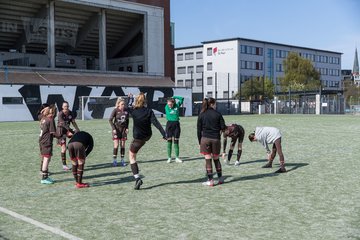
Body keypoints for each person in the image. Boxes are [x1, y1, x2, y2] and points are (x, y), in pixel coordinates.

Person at [128, 92, 167, 190]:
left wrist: (130, 99)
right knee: (136, 148)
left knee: (132, 157)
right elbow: (156, 123)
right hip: (147, 136)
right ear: (145, 101)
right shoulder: (149, 111)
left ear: (137, 101)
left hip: (138, 138)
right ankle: (137, 178)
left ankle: (137, 179)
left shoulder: (133, 110)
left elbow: (126, 108)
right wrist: (164, 134)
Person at [197, 98, 226, 186]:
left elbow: (199, 130)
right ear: (212, 104)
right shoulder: (218, 114)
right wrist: (218, 134)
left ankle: (210, 181)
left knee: (208, 159)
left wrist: (199, 142)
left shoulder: (201, 114)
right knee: (216, 159)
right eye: (215, 104)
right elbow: (223, 127)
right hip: (216, 139)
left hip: (205, 139)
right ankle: (220, 179)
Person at [39, 104, 60, 184]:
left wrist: (45, 110)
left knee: (47, 158)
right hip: (47, 142)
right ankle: (44, 178)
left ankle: (45, 175)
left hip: (42, 141)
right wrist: (63, 135)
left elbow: (41, 114)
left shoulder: (43, 118)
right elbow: (53, 133)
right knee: (46, 159)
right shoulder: (50, 120)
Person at [57, 101, 80, 171]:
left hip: (67, 131)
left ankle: (76, 160)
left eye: (67, 106)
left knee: (76, 141)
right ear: (62, 107)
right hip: (61, 132)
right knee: (63, 148)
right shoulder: (60, 114)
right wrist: (71, 131)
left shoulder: (70, 113)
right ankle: (64, 165)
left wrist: (78, 130)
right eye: (65, 106)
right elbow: (64, 124)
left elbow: (73, 122)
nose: (66, 108)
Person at [109, 97, 129, 167]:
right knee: (116, 145)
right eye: (122, 104)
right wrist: (114, 128)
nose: (123, 105)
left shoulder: (126, 111)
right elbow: (110, 120)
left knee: (123, 145)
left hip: (123, 130)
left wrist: (127, 128)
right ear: (118, 105)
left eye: (124, 104)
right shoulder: (115, 110)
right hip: (116, 130)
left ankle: (122, 160)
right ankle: (114, 160)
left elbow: (127, 120)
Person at [165, 96, 184, 163]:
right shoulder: (166, 107)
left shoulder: (177, 106)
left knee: (176, 141)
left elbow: (182, 99)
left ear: (173, 103)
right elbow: (168, 102)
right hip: (169, 125)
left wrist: (174, 97)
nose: (169, 105)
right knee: (169, 141)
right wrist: (170, 99)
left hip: (176, 125)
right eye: (168, 103)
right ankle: (169, 158)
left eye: (170, 104)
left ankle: (177, 158)